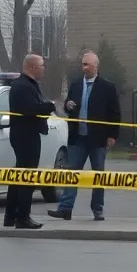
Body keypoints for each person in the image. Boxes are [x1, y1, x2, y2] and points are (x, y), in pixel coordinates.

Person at [50, 51, 120, 221]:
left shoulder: (107, 87)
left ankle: (97, 208)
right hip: (77, 137)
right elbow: (67, 108)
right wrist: (67, 105)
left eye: (87, 64)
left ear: (96, 66)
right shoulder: (75, 85)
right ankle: (65, 208)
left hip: (98, 138)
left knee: (98, 174)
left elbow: (115, 113)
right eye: (83, 64)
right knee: (72, 173)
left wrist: (112, 136)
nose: (84, 68)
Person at [4, 54, 55, 230]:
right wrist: (49, 106)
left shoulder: (28, 85)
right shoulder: (22, 86)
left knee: (18, 174)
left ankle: (11, 216)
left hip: (26, 134)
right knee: (27, 176)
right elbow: (30, 110)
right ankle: (22, 217)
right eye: (42, 65)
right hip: (26, 136)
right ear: (32, 67)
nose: (44, 69)